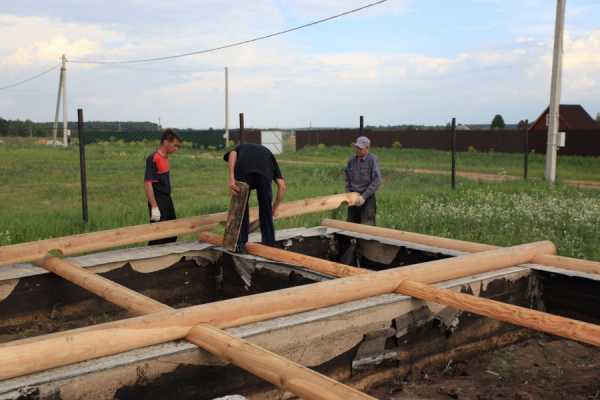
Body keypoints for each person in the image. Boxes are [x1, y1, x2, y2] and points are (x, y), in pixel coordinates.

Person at [223, 143, 286, 251]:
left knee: (241, 209)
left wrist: (231, 178)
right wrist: (273, 209)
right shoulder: (268, 154)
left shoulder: (239, 148)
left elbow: (233, 153)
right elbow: (282, 186)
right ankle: (269, 246)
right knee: (266, 209)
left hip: (243, 169)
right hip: (265, 172)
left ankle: (240, 245)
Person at [144, 129, 182, 245]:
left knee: (172, 232)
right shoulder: (153, 158)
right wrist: (154, 206)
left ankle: (167, 260)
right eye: (175, 145)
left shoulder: (165, 157)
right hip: (158, 199)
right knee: (158, 235)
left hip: (167, 198)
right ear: (166, 142)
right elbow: (148, 183)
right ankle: (150, 259)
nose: (176, 149)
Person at [345, 136, 381, 226]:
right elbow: (347, 178)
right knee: (351, 225)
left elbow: (377, 180)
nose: (357, 150)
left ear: (367, 148)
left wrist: (363, 197)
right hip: (352, 198)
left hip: (367, 198)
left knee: (367, 227)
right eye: (356, 147)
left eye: (360, 148)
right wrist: (349, 193)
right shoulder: (351, 160)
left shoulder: (372, 160)